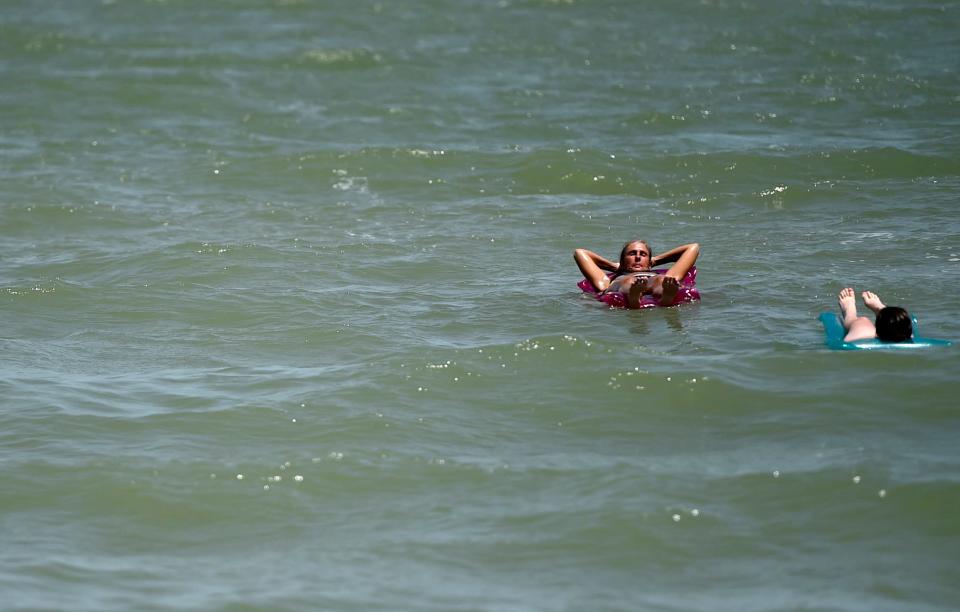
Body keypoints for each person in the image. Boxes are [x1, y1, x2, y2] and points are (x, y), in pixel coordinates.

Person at [573, 240, 700, 308]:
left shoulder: (662, 274)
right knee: (628, 281)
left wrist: (654, 261)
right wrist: (616, 267)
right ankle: (633, 296)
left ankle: (666, 296)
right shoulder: (608, 281)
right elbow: (580, 253)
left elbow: (693, 247)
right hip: (625, 283)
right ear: (622, 260)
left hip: (655, 280)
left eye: (643, 254)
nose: (638, 257)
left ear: (650, 261)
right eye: (632, 254)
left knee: (662, 280)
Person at [837, 287, 913, 342]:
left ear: (876, 332)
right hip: (905, 335)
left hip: (862, 336)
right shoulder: (910, 338)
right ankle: (881, 309)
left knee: (861, 321)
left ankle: (849, 310)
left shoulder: (862, 337)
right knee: (900, 323)